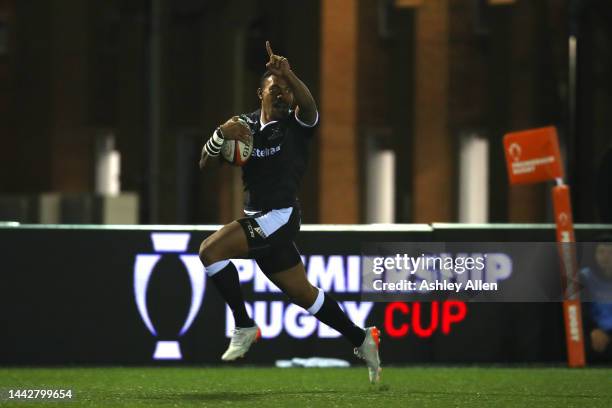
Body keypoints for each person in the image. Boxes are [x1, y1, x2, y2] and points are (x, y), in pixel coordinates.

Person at [198, 41, 381, 383]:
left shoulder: (298, 126)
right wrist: (219, 135)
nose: (283, 95)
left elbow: (310, 106)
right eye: (275, 89)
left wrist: (289, 74)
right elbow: (205, 160)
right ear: (260, 93)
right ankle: (361, 338)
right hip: (258, 218)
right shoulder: (244, 126)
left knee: (210, 250)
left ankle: (244, 324)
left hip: (280, 217)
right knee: (303, 294)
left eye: (287, 91)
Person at [580, 237, 612, 362]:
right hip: (594, 333)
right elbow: (580, 311)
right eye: (601, 252)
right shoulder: (584, 277)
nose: (606, 257)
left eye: (610, 252)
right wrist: (593, 329)